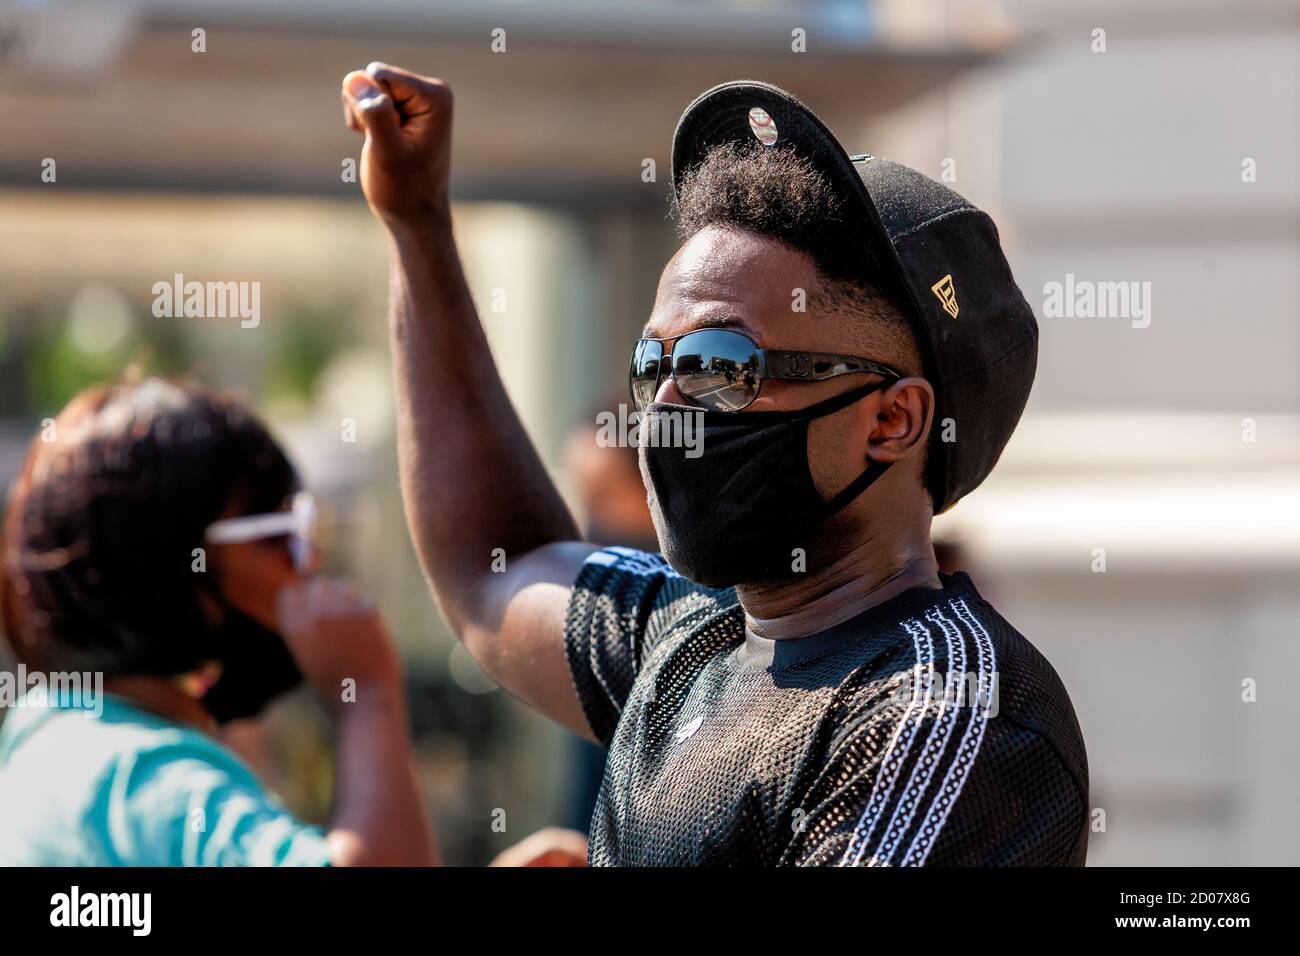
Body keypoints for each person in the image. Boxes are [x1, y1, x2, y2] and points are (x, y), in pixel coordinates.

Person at [340, 64, 1089, 865]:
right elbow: (498, 564)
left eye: (719, 365)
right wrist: (417, 226)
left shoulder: (941, 716)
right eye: (652, 363)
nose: (663, 411)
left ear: (891, 421)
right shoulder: (697, 640)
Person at [0, 378, 436, 866]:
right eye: (280, 534)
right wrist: (369, 697)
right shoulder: (142, 780)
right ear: (171, 566)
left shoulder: (55, 747)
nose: (310, 559)